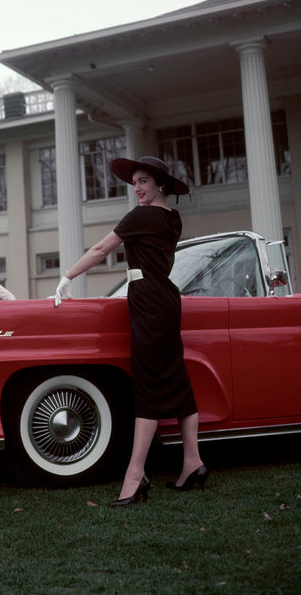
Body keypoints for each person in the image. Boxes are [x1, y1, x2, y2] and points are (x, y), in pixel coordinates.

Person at [54, 156, 207, 506]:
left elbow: (100, 249)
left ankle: (135, 475)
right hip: (165, 299)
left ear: (160, 184)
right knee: (176, 379)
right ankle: (192, 462)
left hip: (148, 301)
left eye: (144, 182)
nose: (137, 188)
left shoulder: (142, 216)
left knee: (149, 384)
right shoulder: (172, 217)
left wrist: (67, 278)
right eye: (134, 183)